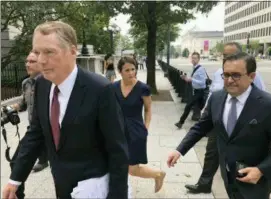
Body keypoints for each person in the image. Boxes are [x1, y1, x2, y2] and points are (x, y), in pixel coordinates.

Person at [2, 21, 129, 199]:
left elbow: (118, 151)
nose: (41, 60)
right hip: (61, 184)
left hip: (94, 188)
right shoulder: (41, 84)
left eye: (49, 52)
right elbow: (36, 134)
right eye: (37, 52)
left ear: (72, 51)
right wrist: (15, 179)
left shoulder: (101, 90)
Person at [167, 52, 271, 199]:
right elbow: (201, 127)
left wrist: (261, 170)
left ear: (252, 76)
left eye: (236, 75)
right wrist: (180, 150)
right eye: (226, 75)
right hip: (227, 176)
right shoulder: (216, 98)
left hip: (255, 183)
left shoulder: (270, 105)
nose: (229, 80)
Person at [185, 42, 267, 194]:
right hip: (219, 120)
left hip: (241, 126)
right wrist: (206, 110)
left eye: (230, 55)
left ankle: (242, 186)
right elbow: (213, 93)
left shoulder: (252, 75)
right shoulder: (219, 73)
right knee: (211, 153)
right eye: (224, 55)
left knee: (239, 161)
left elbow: (261, 97)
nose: (226, 58)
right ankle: (204, 183)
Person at [112, 57, 166, 193]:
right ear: (120, 72)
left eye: (133, 69)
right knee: (118, 163)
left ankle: (158, 174)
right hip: (118, 130)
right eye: (127, 70)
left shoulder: (143, 88)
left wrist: (145, 128)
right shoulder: (113, 87)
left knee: (133, 169)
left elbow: (148, 109)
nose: (131, 73)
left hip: (135, 131)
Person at [8, 52, 48, 199]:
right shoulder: (26, 83)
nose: (27, 64)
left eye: (32, 61)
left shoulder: (48, 83)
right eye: (27, 61)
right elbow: (24, 104)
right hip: (34, 133)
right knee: (15, 163)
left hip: (49, 133)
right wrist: (11, 109)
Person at [175, 52, 209, 128]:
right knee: (203, 109)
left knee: (188, 106)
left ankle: (180, 122)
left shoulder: (201, 69)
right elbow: (191, 79)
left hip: (200, 92)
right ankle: (207, 126)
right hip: (196, 91)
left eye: (195, 58)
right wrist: (185, 77)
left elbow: (203, 82)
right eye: (192, 58)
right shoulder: (194, 68)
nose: (193, 59)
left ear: (199, 59)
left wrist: (191, 79)